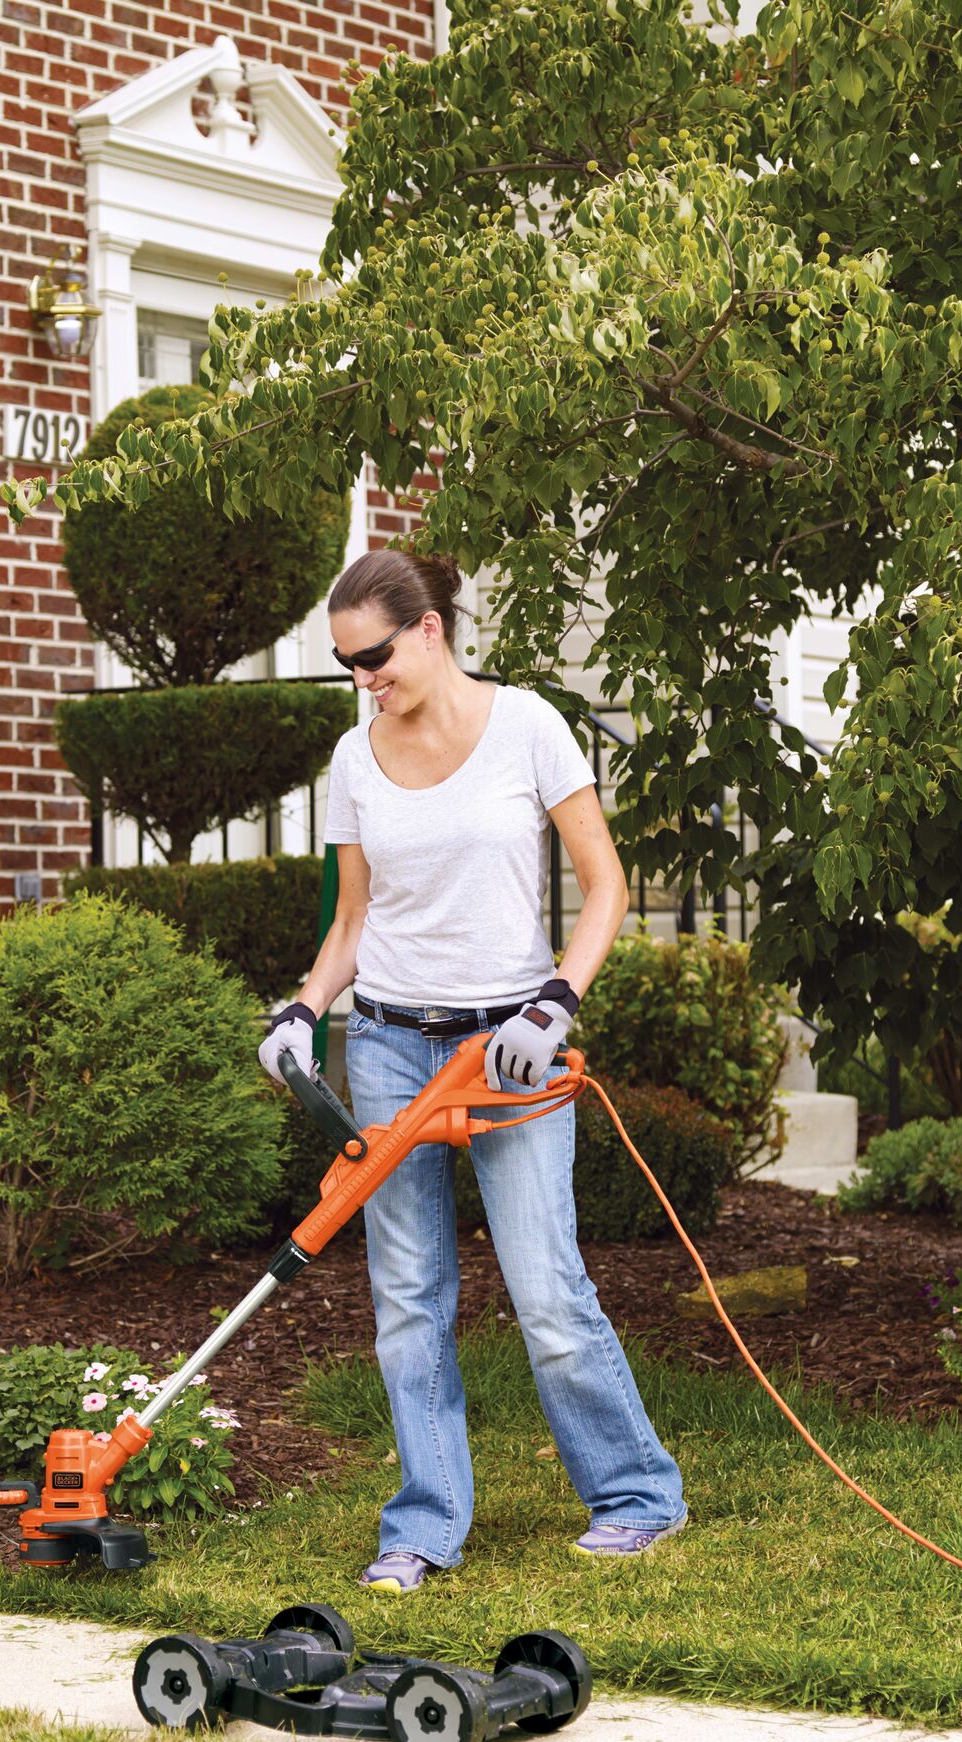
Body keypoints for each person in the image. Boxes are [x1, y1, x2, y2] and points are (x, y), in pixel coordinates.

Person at [258, 550, 687, 1593]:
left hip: (507, 1044)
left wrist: (556, 1001)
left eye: (375, 656)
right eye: (346, 665)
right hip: (392, 1044)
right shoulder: (354, 758)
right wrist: (305, 1007)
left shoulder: (528, 726)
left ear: (428, 630)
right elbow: (353, 919)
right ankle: (422, 1525)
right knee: (406, 1295)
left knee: (545, 1285)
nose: (364, 679)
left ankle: (636, 1495)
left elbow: (605, 888)